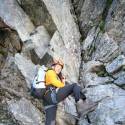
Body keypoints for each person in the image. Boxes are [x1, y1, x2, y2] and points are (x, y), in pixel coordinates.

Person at [43, 59, 87, 125]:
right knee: (74, 85)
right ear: (53, 66)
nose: (59, 69)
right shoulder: (50, 72)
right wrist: (63, 83)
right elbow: (58, 85)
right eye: (58, 67)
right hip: (51, 96)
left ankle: (82, 102)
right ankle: (80, 105)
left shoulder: (54, 75)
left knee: (50, 122)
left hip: (48, 101)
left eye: (60, 68)